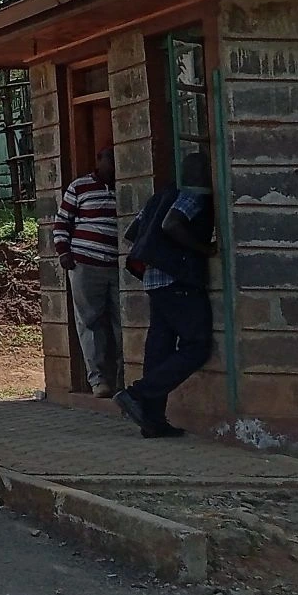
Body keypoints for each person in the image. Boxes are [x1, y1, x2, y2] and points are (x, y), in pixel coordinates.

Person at [116, 151, 219, 438]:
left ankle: (152, 421)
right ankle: (137, 394)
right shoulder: (193, 193)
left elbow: (133, 233)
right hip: (178, 278)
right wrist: (203, 248)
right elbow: (171, 224)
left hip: (154, 279)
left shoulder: (159, 195)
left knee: (159, 352)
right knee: (196, 346)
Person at [52, 145, 121, 396]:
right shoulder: (80, 187)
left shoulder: (123, 187)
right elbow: (62, 222)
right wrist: (64, 252)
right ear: (99, 160)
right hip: (85, 263)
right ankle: (98, 380)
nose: (113, 166)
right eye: (110, 160)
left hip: (117, 265)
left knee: (122, 323)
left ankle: (124, 378)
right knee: (90, 322)